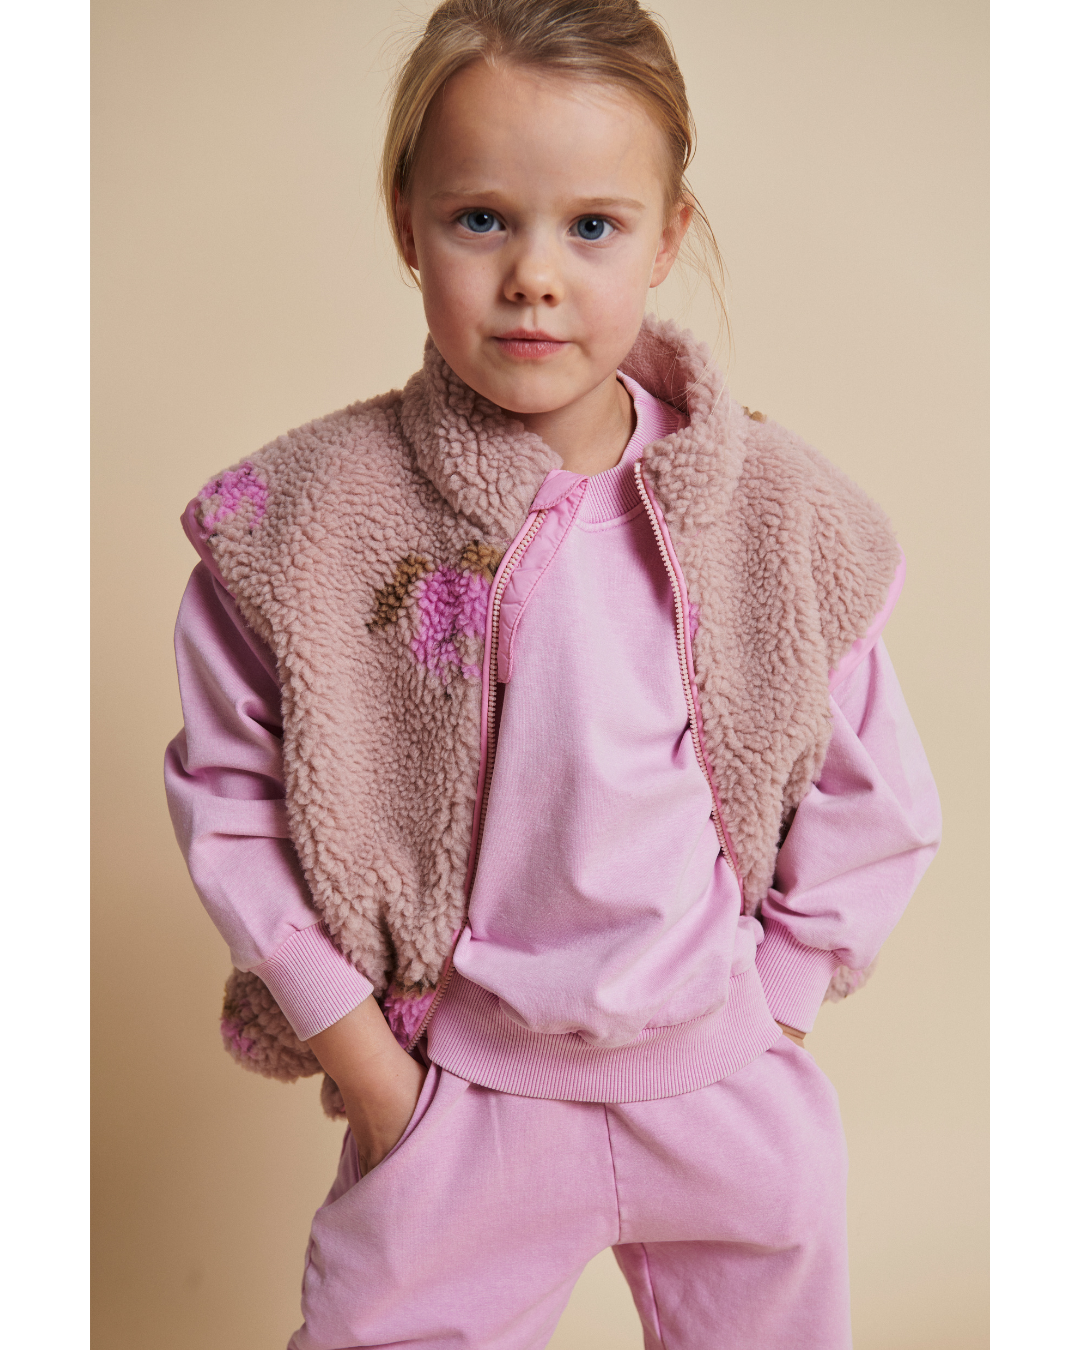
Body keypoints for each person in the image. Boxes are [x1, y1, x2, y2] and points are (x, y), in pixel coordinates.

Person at [164, 2, 941, 1345]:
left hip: (721, 1088)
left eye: (592, 225)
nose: (534, 274)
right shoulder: (302, 525)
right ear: (407, 224)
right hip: (459, 1100)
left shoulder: (780, 517)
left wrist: (776, 1011)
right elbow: (232, 804)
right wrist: (369, 1064)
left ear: (668, 237)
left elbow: (876, 793)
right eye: (482, 219)